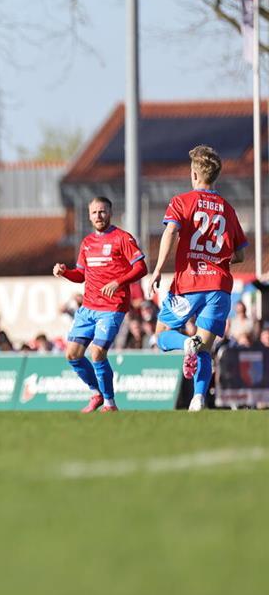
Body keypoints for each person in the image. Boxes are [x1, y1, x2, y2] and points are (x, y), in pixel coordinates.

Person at [150, 145, 248, 411]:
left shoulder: (182, 201)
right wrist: (217, 260)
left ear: (194, 174)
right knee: (205, 348)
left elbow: (170, 232)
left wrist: (158, 268)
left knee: (160, 335)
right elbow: (239, 255)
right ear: (215, 176)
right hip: (218, 287)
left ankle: (185, 343)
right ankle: (198, 399)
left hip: (189, 283)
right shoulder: (227, 209)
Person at [54, 196, 148, 413]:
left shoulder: (122, 238)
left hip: (112, 307)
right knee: (72, 354)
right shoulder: (87, 243)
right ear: (89, 215)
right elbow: (81, 275)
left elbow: (141, 267)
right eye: (95, 212)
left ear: (110, 213)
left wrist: (118, 282)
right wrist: (65, 272)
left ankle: (110, 403)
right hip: (88, 308)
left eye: (102, 211)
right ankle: (96, 393)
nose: (98, 216)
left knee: (97, 353)